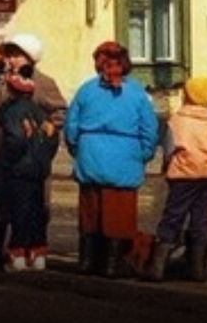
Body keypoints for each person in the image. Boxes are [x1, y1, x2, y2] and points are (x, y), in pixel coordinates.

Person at [64, 39, 160, 278]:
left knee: (90, 213)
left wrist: (78, 149)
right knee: (119, 215)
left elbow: (71, 125)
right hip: (124, 160)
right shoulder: (138, 93)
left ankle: (86, 262)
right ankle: (112, 265)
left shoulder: (86, 89)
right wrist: (143, 155)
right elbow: (150, 129)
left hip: (90, 155)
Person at [0, 32, 68, 266]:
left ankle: (31, 249)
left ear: (30, 57)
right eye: (9, 54)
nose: (11, 59)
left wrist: (43, 133)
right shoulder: (1, 78)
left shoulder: (43, 82)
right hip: (0, 150)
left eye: (16, 55)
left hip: (28, 154)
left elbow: (60, 113)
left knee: (31, 204)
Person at [143, 76, 207, 283]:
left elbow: (170, 150)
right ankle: (198, 269)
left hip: (183, 174)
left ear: (187, 96)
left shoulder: (177, 120)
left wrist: (166, 167)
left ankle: (157, 267)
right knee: (201, 219)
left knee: (173, 216)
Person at [0, 65, 60, 271]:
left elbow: (16, 139)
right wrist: (43, 159)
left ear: (12, 90)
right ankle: (38, 255)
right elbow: (53, 139)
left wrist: (7, 160)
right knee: (36, 213)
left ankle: (17, 256)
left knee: (19, 213)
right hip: (38, 170)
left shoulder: (10, 111)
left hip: (17, 170)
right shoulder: (41, 112)